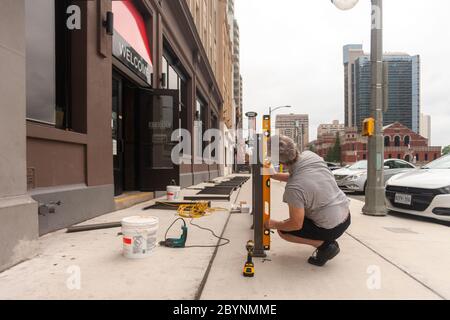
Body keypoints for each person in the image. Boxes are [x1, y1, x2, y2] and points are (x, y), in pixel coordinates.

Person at [265, 135, 351, 267]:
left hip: (332, 228)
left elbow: (296, 224)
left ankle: (326, 246)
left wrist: (274, 224)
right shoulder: (310, 156)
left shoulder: (294, 188)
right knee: (296, 214)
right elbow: (300, 178)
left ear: (280, 163)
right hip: (346, 216)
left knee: (284, 230)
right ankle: (325, 240)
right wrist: (273, 175)